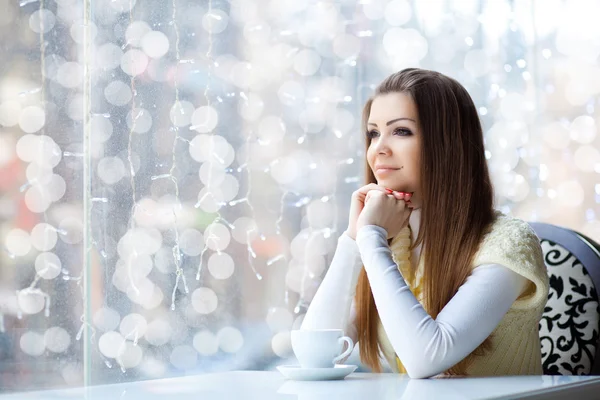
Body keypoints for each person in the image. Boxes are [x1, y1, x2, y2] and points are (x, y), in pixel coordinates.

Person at [300, 68, 549, 378]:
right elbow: (314, 355)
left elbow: (426, 358)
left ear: (447, 143)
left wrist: (370, 239)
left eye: (401, 131)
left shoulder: (507, 244)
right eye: (373, 133)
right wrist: (352, 241)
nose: (378, 148)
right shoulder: (388, 240)